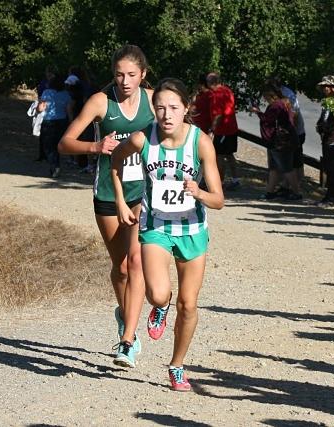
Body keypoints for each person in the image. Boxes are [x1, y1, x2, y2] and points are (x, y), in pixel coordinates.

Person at [110, 77, 224, 391]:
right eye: (160, 108)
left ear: (186, 108)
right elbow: (115, 163)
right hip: (155, 227)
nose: (167, 114)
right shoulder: (141, 139)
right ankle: (161, 306)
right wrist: (121, 201)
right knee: (159, 294)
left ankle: (176, 365)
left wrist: (199, 192)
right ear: (153, 109)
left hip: (191, 230)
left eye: (173, 107)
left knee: (188, 305)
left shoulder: (200, 143)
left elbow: (219, 200)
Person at [59, 45, 155, 367]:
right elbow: (65, 143)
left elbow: (175, 134)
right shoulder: (101, 102)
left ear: (143, 74)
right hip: (107, 194)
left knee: (137, 261)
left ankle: (127, 340)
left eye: (131, 75)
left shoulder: (154, 102)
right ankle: (124, 313)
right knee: (122, 268)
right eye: (119, 74)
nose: (125, 81)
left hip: (143, 193)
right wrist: (96, 145)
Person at [251, 83, 302, 200]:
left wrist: (257, 111)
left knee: (287, 168)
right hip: (286, 139)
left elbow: (267, 120)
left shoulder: (276, 106)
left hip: (281, 141)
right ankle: (270, 192)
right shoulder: (285, 102)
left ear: (270, 95)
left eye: (265, 96)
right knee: (274, 168)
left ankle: (296, 193)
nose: (264, 98)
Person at [206, 72, 240, 190]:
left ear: (212, 82)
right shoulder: (228, 90)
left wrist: (212, 130)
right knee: (229, 155)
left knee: (219, 156)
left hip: (223, 130)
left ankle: (220, 181)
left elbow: (218, 115)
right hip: (232, 128)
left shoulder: (217, 94)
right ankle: (236, 179)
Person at [37, 75, 74, 178]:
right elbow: (69, 111)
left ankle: (55, 165)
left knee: (48, 145)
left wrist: (37, 108)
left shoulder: (46, 93)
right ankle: (56, 164)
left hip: (49, 121)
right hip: (62, 121)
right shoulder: (66, 94)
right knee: (57, 144)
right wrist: (71, 123)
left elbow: (41, 108)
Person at [316, 75, 334, 206]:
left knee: (333, 168)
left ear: (333, 88)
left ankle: (333, 197)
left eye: (328, 86)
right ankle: (328, 196)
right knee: (327, 166)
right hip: (326, 138)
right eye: (324, 87)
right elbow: (323, 119)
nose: (325, 89)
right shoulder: (326, 103)